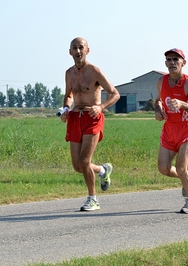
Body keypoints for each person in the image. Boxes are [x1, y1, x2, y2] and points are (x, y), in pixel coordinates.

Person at [60, 37, 120, 211]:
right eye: (74, 48)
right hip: (74, 118)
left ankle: (93, 199)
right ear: (70, 52)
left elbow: (115, 94)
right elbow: (68, 95)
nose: (78, 51)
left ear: (87, 50)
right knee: (77, 166)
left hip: (92, 117)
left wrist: (100, 107)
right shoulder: (69, 73)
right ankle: (102, 170)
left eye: (81, 48)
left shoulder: (94, 71)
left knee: (85, 161)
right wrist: (65, 109)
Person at [154, 48, 188, 214]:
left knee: (181, 167)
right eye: (169, 59)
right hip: (169, 128)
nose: (172, 62)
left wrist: (182, 104)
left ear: (183, 63)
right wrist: (159, 111)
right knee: (163, 168)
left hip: (186, 128)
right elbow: (159, 101)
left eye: (176, 59)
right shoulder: (162, 81)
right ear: (165, 63)